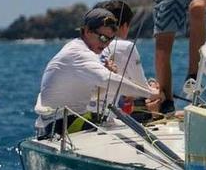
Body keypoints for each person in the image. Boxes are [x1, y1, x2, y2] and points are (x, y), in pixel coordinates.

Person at [34, 8, 159, 136]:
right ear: (87, 31)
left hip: (60, 123)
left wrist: (112, 77)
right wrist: (150, 94)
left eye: (110, 39)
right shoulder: (79, 53)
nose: (106, 44)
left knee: (127, 124)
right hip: (62, 125)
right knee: (133, 129)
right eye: (103, 38)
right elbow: (107, 79)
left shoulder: (78, 48)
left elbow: (91, 93)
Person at [93, 0, 158, 114]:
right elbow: (143, 89)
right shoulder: (126, 47)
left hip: (84, 110)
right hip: (105, 115)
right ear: (124, 26)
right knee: (158, 99)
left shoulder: (91, 45)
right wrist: (159, 90)